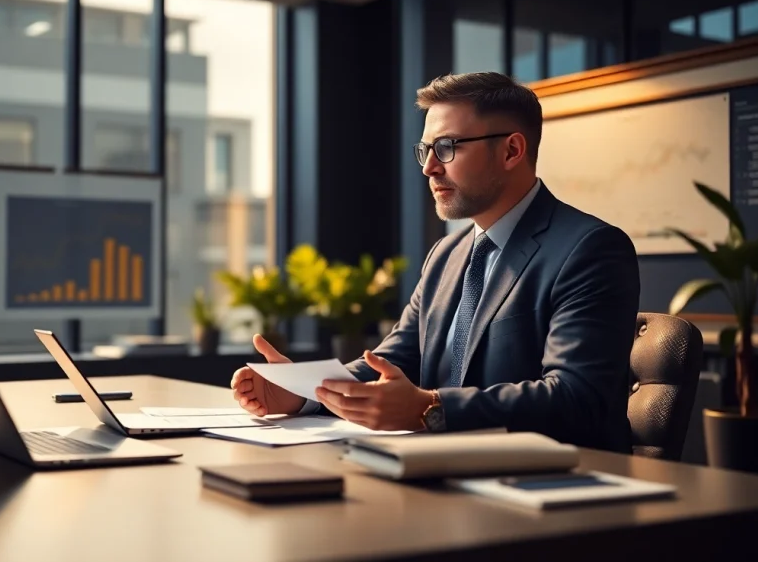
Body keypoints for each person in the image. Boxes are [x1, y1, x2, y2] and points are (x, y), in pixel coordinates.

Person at [231, 71, 639, 453]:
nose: (429, 167)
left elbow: (575, 397)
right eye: (426, 150)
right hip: (443, 473)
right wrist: (303, 392)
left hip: (550, 489)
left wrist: (430, 408)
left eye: (447, 148)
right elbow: (394, 361)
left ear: (512, 150)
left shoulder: (590, 248)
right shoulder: (446, 255)